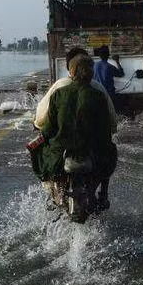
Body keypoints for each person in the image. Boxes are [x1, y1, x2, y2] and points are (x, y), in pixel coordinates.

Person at [32, 54, 117, 210]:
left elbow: (48, 129)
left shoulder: (58, 92)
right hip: (91, 150)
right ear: (91, 72)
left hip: (61, 152)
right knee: (110, 152)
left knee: (39, 152)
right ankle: (103, 195)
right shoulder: (98, 94)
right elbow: (107, 129)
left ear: (71, 71)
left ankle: (53, 194)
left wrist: (41, 135)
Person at [34, 47, 117, 133]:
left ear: (70, 67)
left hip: (63, 139)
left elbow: (40, 120)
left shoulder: (59, 87)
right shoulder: (99, 88)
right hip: (94, 139)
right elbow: (113, 122)